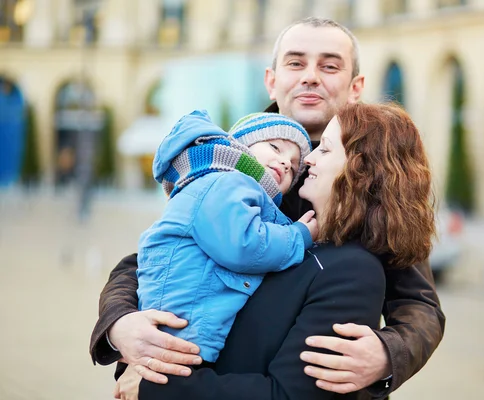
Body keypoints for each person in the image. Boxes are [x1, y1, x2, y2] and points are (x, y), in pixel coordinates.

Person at [90, 17, 445, 398]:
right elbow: (156, 252)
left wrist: (387, 353)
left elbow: (419, 303)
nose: (310, 76)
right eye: (295, 63)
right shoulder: (232, 158)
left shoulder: (376, 183)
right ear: (271, 80)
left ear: (356, 86)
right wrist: (119, 324)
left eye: (329, 65)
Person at [136, 110, 316, 364]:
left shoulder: (231, 186)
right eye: (275, 147)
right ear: (240, 146)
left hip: (187, 329)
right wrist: (299, 236)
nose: (286, 162)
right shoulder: (226, 182)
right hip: (182, 330)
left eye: (294, 166)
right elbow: (242, 246)